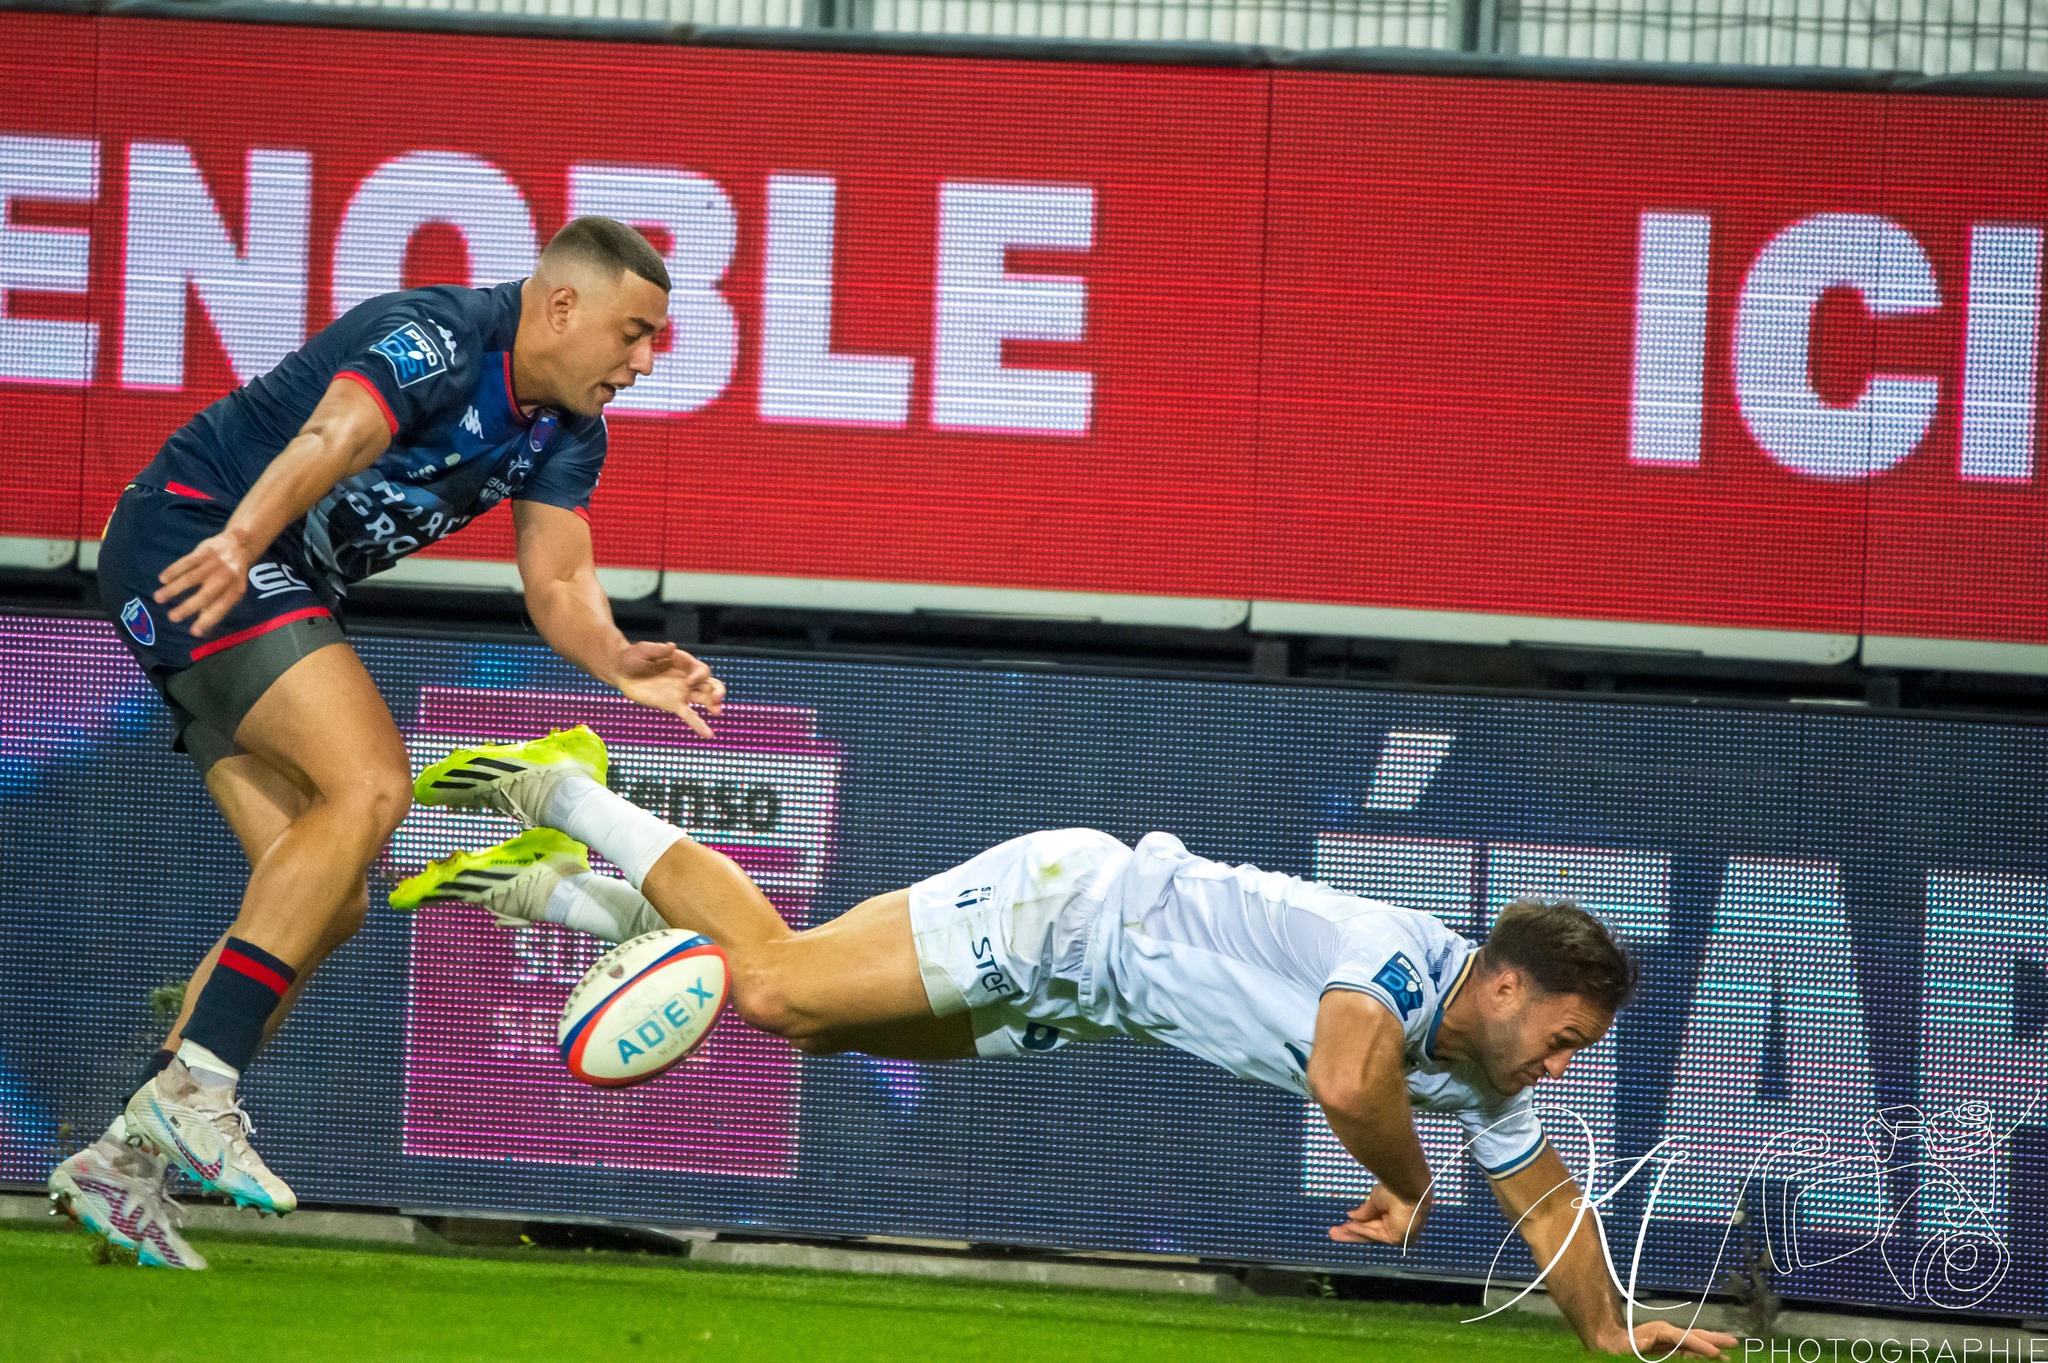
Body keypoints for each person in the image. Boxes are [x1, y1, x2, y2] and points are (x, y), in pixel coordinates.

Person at [398, 728, 1738, 1359]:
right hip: (1067, 910)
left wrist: (1612, 1330)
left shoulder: (1481, 1058)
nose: (1562, 1064)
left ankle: (561, 892)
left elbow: (1551, 1195)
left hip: (1082, 993)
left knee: (792, 1012)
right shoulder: (1400, 956)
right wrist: (1411, 1181)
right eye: (1562, 1036)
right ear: (1503, 982)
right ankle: (567, 784)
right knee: (776, 991)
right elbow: (1349, 1075)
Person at [46, 223, 727, 1270]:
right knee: (371, 782)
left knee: (327, 892)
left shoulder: (567, 430)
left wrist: (619, 659)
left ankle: (123, 1162)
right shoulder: (438, 337)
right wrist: (235, 539)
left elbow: (556, 581)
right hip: (197, 541)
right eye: (632, 333)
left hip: (252, 574)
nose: (644, 361)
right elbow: (336, 438)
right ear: (559, 308)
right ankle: (195, 1085)